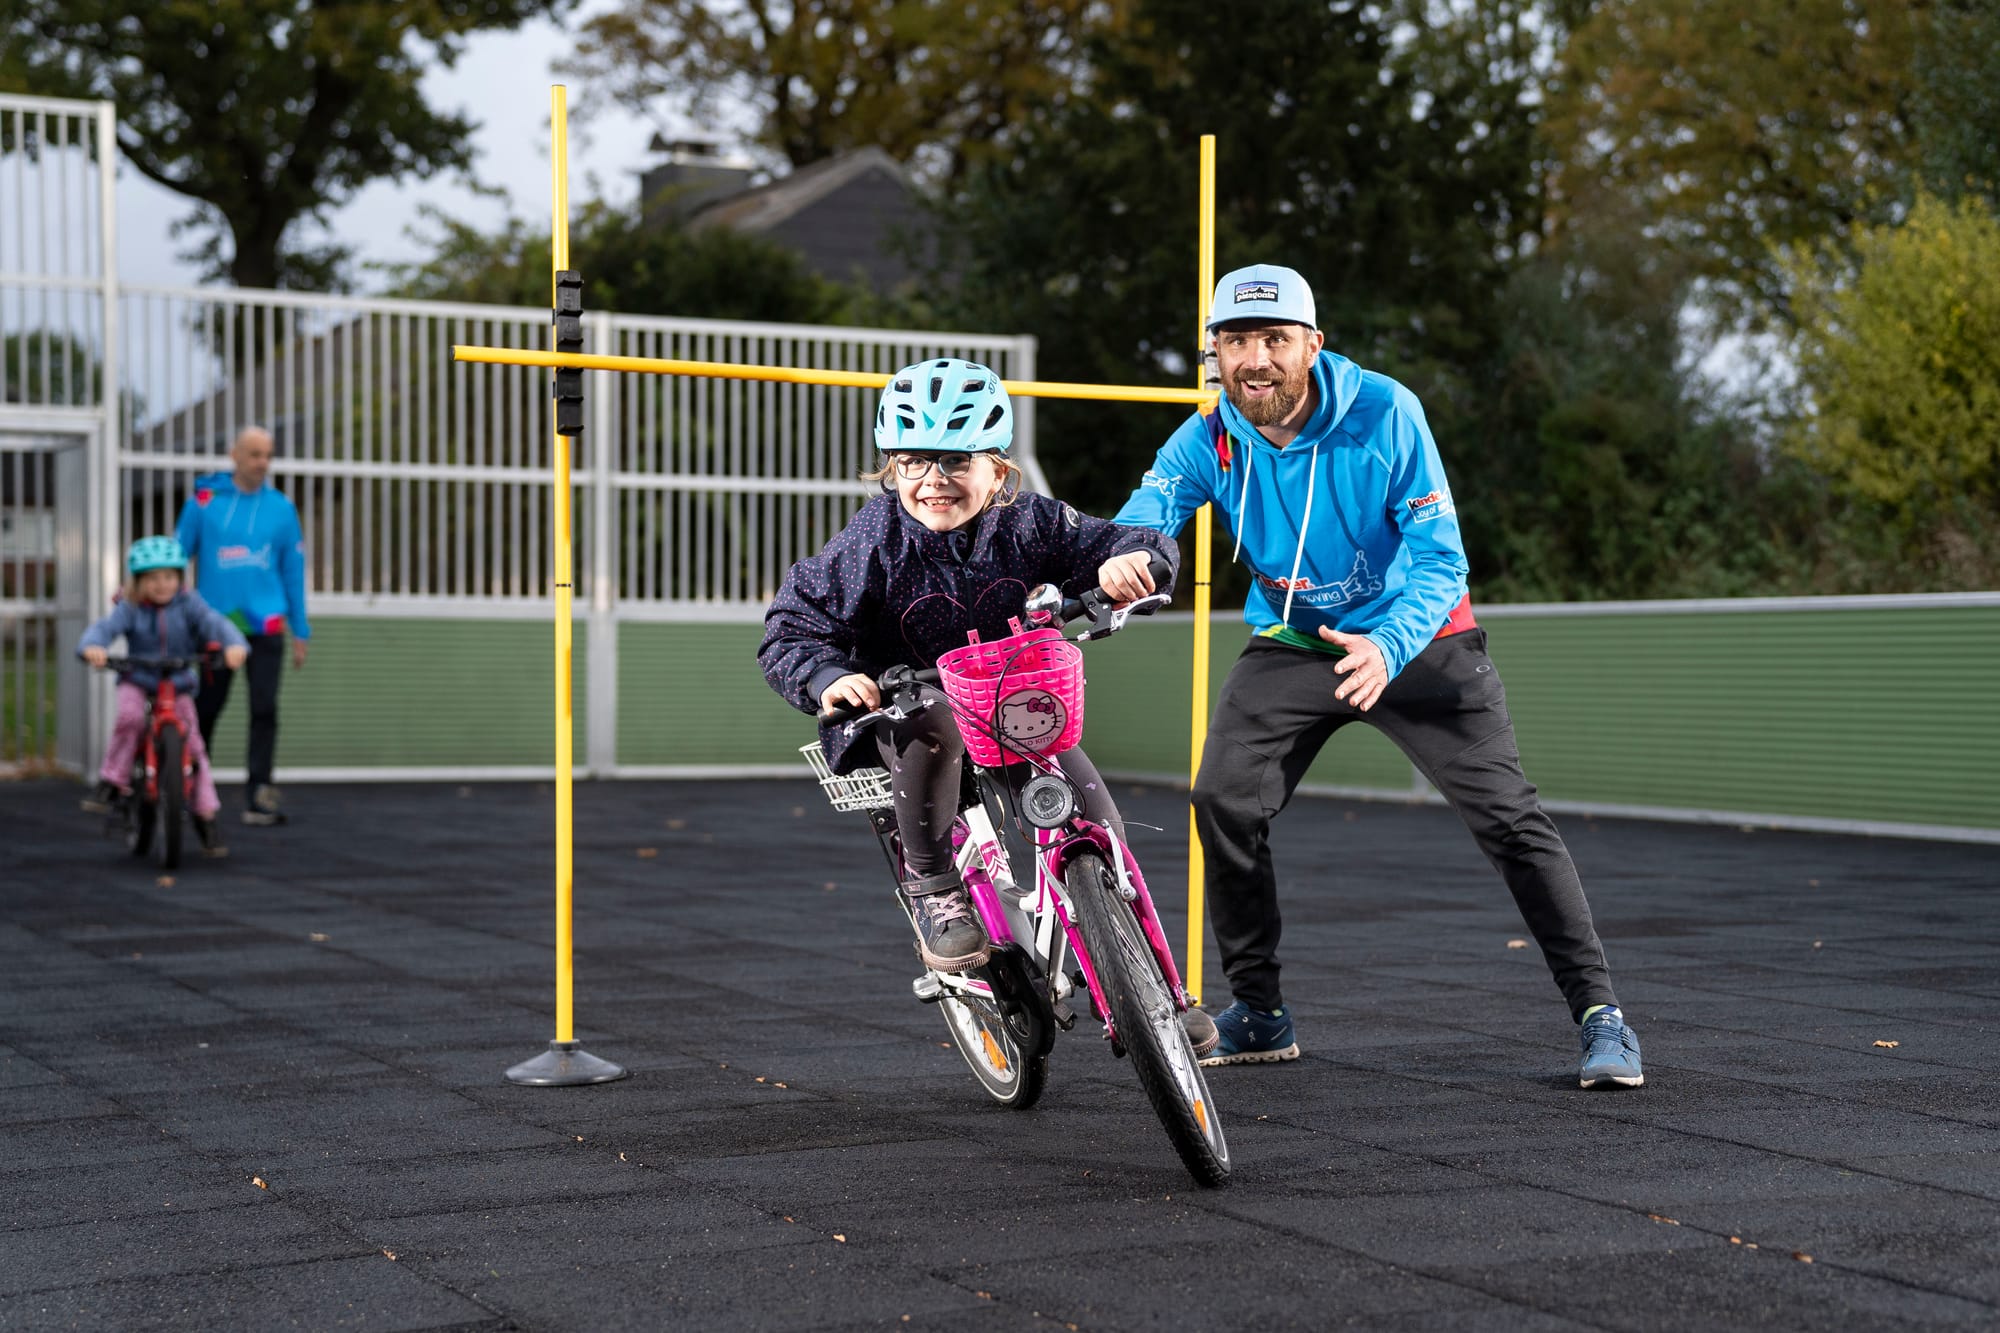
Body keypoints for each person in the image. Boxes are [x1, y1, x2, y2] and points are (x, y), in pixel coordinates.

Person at [1109, 264, 1644, 1089]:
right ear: (1215, 353)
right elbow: (1146, 516)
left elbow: (1442, 560)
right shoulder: (1210, 436)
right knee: (1222, 799)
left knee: (1510, 819)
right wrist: (1129, 557)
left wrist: (1388, 645)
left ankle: (1601, 1013)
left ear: (1313, 345)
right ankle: (1261, 1011)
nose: (1256, 359)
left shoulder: (1385, 411)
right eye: (1237, 342)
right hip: (1296, 641)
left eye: (1275, 339)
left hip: (1420, 638)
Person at [759, 357, 1218, 1054]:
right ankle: (934, 884)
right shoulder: (874, 542)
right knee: (934, 723)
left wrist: (1137, 561)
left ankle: (1157, 990)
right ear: (890, 469)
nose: (932, 480)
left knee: (1100, 824)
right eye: (912, 462)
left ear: (998, 470)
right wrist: (828, 677)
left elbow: (1117, 540)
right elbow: (792, 624)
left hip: (1013, 705)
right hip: (905, 709)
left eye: (956, 460)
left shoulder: (1031, 522)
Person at [78, 536, 250, 856]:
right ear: (138, 581)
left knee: (195, 748)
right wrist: (93, 646)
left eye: (169, 577)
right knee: (130, 718)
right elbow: (104, 628)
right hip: (139, 679)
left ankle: (206, 815)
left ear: (180, 578)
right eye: (153, 578)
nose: (162, 585)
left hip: (177, 683)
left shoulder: (189, 603)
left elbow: (215, 623)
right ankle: (112, 781)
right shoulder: (130, 607)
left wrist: (234, 644)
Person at [175, 426, 311, 826]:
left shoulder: (282, 509)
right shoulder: (204, 502)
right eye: (254, 454)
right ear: (234, 454)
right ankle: (189, 786)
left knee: (265, 708)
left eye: (268, 454)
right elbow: (177, 556)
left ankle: (260, 792)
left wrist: (300, 629)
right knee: (206, 708)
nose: (262, 462)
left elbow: (293, 570)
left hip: (266, 625)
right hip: (216, 627)